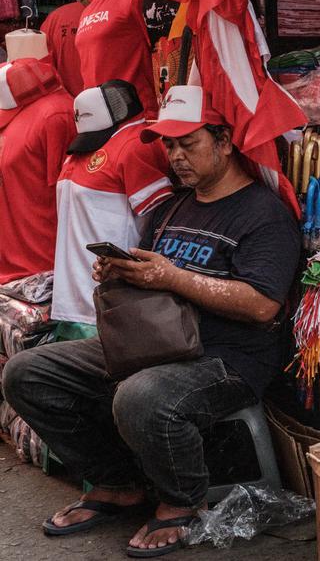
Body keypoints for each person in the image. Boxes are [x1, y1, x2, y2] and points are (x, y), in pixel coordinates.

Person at [2, 84, 301, 557]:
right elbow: (158, 279)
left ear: (224, 142)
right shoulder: (173, 207)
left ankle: (182, 502)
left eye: (189, 143)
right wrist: (123, 273)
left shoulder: (264, 215)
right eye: (169, 145)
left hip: (224, 357)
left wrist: (172, 276)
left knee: (142, 395)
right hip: (154, 342)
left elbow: (263, 304)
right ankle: (116, 483)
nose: (176, 156)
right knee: (28, 373)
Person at [51, 79, 174, 336]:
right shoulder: (79, 151)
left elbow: (163, 224)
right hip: (74, 302)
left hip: (110, 305)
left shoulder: (136, 144)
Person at [0, 58, 75, 283]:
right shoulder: (45, 114)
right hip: (18, 262)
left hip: (41, 264)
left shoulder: (56, 115)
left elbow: (67, 194)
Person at [40, 0, 110, 96]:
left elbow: (42, 70)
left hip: (67, 111)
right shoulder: (121, 12)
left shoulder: (55, 19)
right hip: (115, 110)